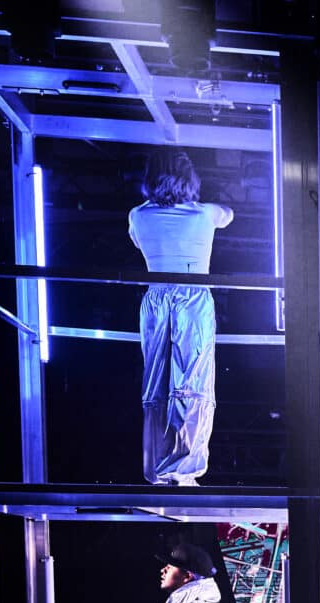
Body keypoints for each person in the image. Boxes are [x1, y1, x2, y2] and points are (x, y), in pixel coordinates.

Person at [129, 150, 234, 486]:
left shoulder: (138, 215)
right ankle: (184, 470)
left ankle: (158, 468)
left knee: (156, 384)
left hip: (156, 299)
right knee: (194, 382)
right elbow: (228, 215)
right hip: (192, 297)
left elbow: (136, 241)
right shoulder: (204, 213)